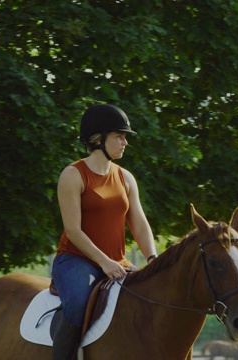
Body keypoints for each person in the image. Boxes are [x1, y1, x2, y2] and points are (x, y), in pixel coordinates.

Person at [50, 104, 157, 360]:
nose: (125, 142)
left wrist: (154, 259)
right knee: (77, 306)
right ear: (98, 139)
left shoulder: (126, 178)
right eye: (119, 136)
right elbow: (73, 231)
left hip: (117, 262)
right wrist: (104, 262)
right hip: (76, 261)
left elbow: (140, 224)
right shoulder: (73, 175)